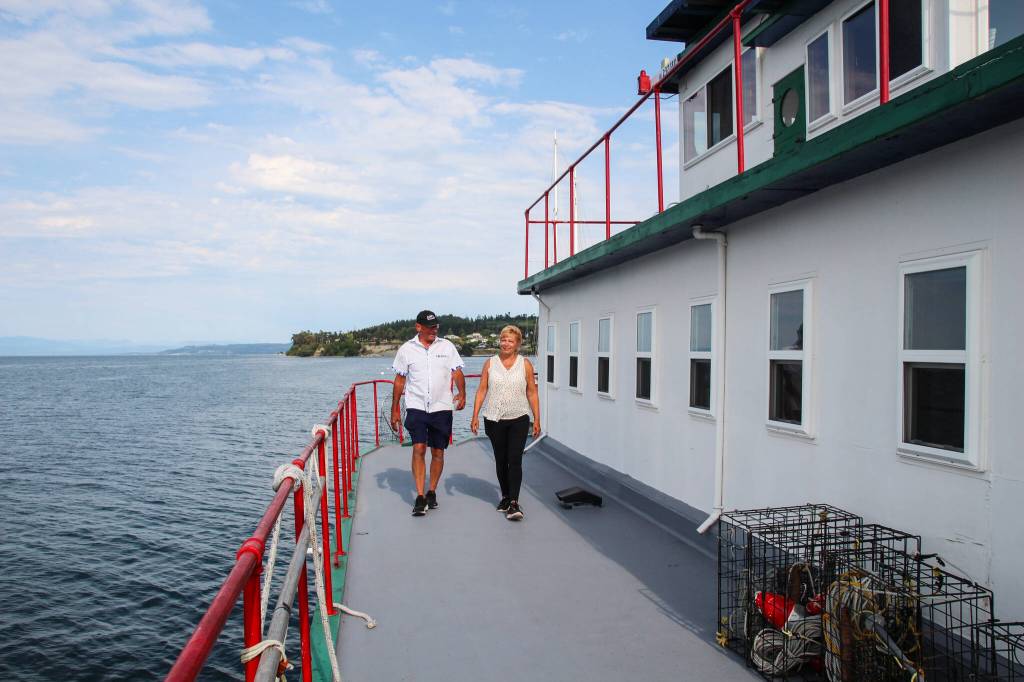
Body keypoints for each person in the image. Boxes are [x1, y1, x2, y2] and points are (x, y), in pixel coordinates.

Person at [391, 310, 467, 517]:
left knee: (438, 452)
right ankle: (420, 495)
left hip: (441, 406)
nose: (434, 330)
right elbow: (399, 380)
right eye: (430, 327)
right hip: (416, 405)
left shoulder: (447, 347)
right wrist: (395, 408)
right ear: (419, 327)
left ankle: (432, 490)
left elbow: (457, 372)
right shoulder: (407, 349)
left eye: (436, 327)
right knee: (419, 447)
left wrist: (463, 393)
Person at [470, 325, 541, 521]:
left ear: (517, 344)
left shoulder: (525, 364)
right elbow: (482, 390)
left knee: (515, 459)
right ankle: (505, 496)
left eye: (510, 340)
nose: (506, 343)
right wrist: (475, 415)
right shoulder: (490, 363)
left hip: (519, 418)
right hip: (494, 418)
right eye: (503, 339)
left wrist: (537, 418)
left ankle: (514, 503)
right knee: (501, 460)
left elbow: (532, 392)